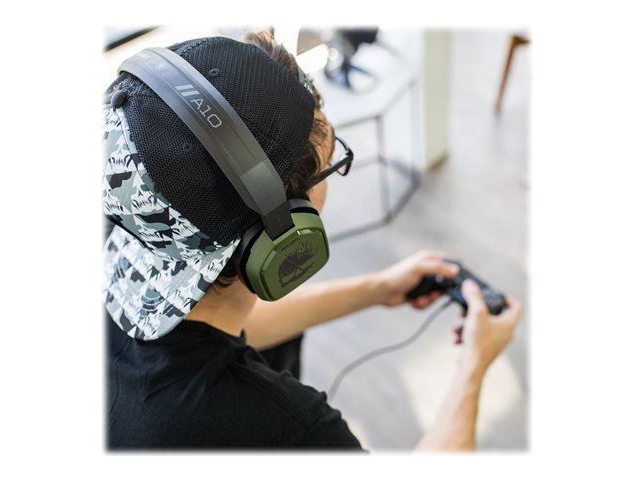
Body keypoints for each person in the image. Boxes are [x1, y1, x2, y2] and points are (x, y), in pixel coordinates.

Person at [103, 31, 523, 450]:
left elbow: (224, 326)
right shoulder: (289, 430)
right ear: (285, 230)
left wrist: (380, 288)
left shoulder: (132, 234)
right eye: (331, 165)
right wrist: (474, 365)